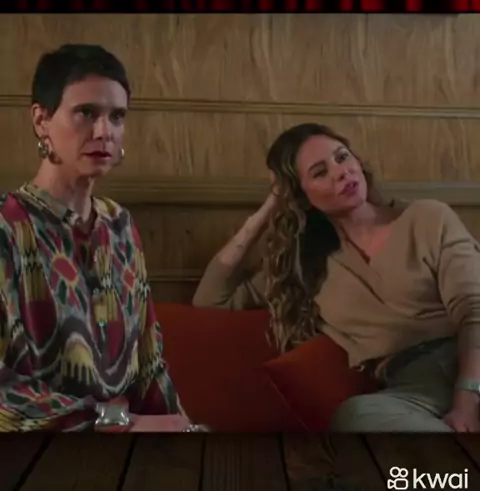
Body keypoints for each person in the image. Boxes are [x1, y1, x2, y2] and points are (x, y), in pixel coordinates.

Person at [193, 122, 480, 433]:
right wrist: (262, 216)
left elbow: (474, 310)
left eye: (342, 157)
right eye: (320, 172)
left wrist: (466, 402)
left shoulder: (427, 218)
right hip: (413, 390)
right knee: (355, 415)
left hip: (468, 361)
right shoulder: (306, 266)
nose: (341, 172)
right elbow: (210, 300)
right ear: (301, 197)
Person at [0, 44, 202, 433]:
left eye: (117, 116)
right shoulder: (7, 226)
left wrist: (184, 433)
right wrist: (119, 424)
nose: (104, 132)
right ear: (41, 120)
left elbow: (149, 362)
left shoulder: (119, 226)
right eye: (86, 113)